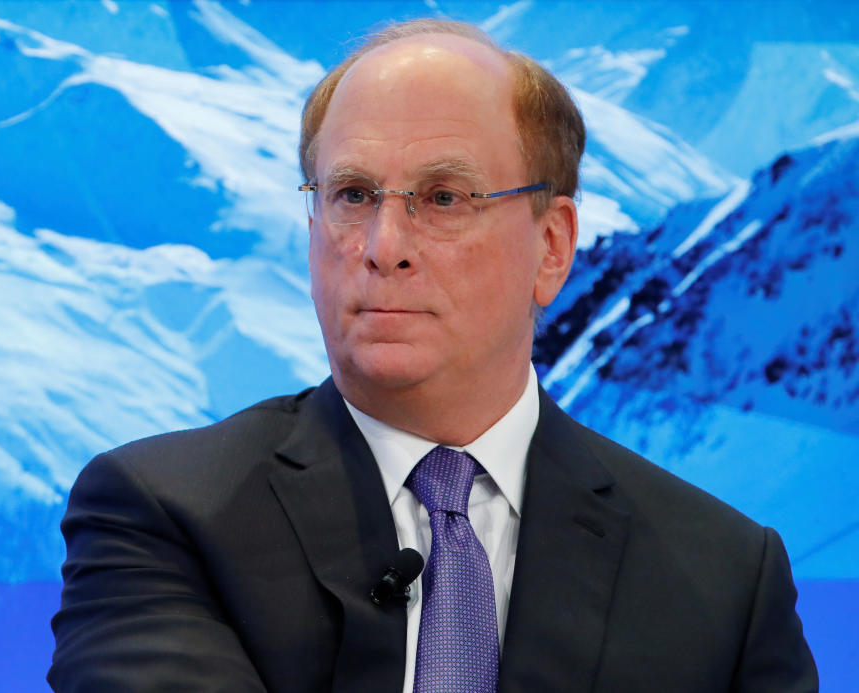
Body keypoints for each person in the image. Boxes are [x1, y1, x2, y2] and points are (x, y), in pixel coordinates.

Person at [48, 19, 817, 693]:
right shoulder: (160, 516)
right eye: (352, 195)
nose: (383, 248)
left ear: (551, 246)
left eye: (443, 197)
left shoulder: (722, 577)